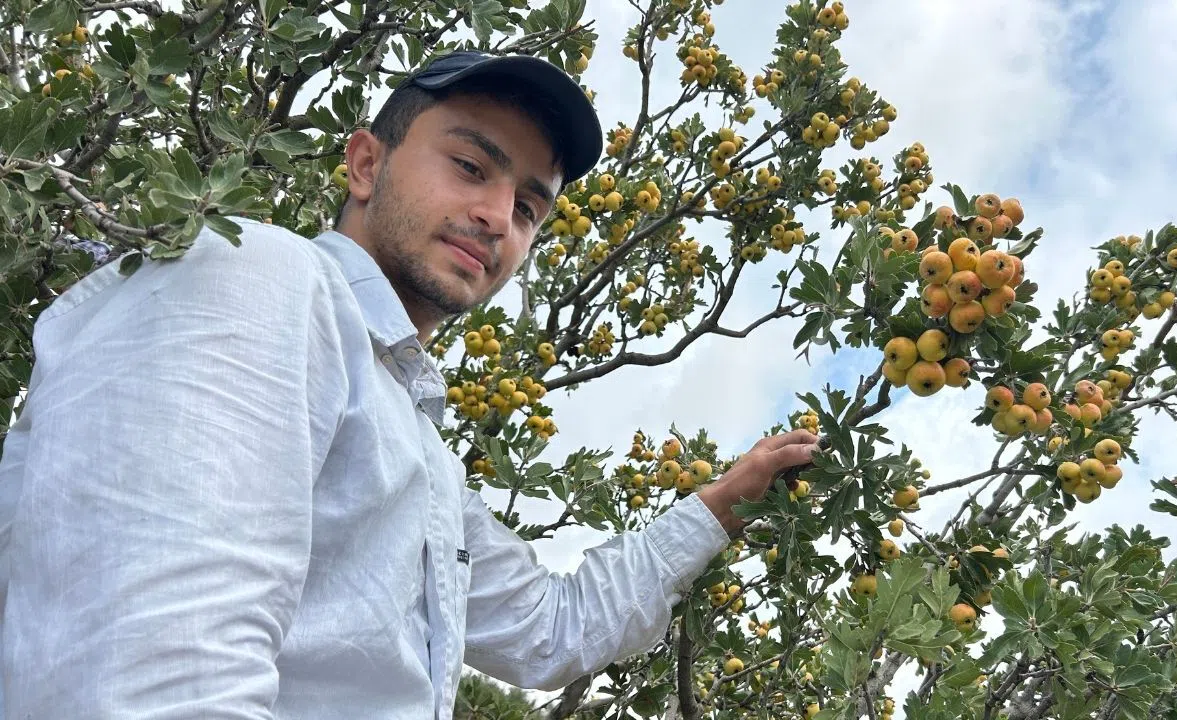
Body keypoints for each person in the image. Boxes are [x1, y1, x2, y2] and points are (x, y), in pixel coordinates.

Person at [0, 50, 818, 718]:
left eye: (530, 208)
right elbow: (145, 673)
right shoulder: (258, 277)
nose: (499, 216)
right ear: (364, 163)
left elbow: (550, 629)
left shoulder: (418, 447)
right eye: (470, 165)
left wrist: (723, 503)